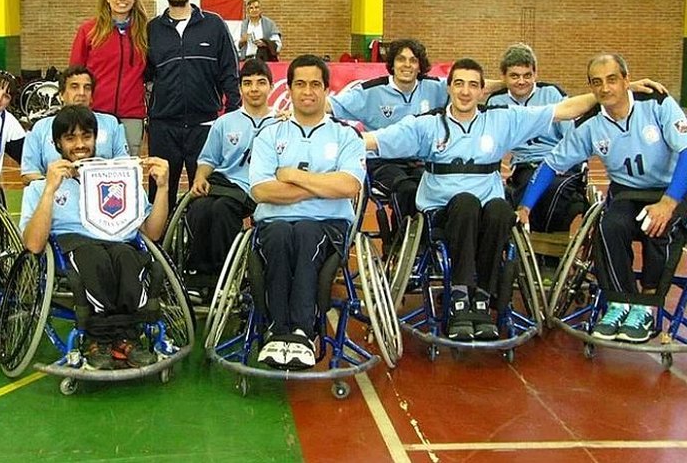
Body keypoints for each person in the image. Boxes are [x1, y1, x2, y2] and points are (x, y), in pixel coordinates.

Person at [362, 58, 597, 341]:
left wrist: (618, 89)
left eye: (473, 85)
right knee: (466, 203)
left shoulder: (500, 119)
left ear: (482, 91)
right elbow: (376, 139)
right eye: (459, 83)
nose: (465, 91)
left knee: (500, 209)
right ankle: (460, 299)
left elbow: (563, 110)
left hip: (487, 210)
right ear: (449, 88)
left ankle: (482, 300)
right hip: (443, 210)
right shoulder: (428, 125)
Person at [518, 53, 687, 343]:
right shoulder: (591, 124)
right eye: (597, 83)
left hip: (670, 190)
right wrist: (525, 205)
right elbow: (552, 164)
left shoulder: (658, 103)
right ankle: (620, 302)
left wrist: (669, 201)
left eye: (612, 80)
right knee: (609, 225)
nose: (605, 88)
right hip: (627, 193)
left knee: (657, 224)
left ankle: (645, 307)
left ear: (626, 80)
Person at [20, 105, 171, 369]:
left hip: (117, 240)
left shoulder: (117, 179)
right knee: (94, 257)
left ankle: (126, 338)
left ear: (95, 139)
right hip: (74, 244)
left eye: (86, 136)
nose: (80, 144)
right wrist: (49, 190)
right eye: (70, 138)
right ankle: (98, 338)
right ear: (57, 144)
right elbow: (33, 244)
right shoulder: (40, 186)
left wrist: (163, 187)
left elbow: (153, 232)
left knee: (126, 256)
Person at [249, 55, 365, 370]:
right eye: (300, 84)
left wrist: (292, 175)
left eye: (315, 84)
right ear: (290, 89)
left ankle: (302, 331)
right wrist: (321, 185)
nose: (308, 91)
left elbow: (349, 186)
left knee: (306, 232)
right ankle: (276, 330)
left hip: (328, 226)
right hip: (275, 223)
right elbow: (261, 190)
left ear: (327, 90)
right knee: (283, 234)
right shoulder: (270, 135)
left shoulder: (346, 136)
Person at [146, 0, 240, 207]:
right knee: (160, 194)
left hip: (205, 125)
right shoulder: (152, 30)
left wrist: (232, 115)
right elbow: (143, 75)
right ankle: (160, 243)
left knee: (206, 194)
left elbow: (230, 72)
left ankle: (200, 245)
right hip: (164, 127)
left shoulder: (214, 24)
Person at [184, 59, 278, 295]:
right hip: (223, 183)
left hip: (255, 188)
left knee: (223, 210)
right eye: (247, 83)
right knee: (199, 208)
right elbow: (208, 159)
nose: (254, 89)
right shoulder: (225, 122)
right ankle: (198, 274)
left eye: (260, 83)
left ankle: (221, 274)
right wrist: (199, 178)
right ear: (240, 89)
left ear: (271, 87)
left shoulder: (282, 123)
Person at [328, 38, 447, 221]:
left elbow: (472, 86)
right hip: (382, 161)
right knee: (408, 189)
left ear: (420, 66)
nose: (407, 65)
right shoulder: (371, 91)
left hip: (420, 161)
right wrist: (292, 113)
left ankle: (429, 237)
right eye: (401, 59)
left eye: (413, 60)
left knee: (437, 186)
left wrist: (505, 83)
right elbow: (330, 105)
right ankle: (401, 241)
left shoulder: (434, 87)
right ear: (392, 64)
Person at [487, 43, 586, 233]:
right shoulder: (496, 102)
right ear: (504, 77)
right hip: (526, 164)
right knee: (522, 190)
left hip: (558, 162)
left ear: (535, 74)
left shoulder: (551, 93)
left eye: (527, 75)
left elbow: (570, 137)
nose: (521, 81)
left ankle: (545, 245)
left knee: (552, 189)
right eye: (514, 76)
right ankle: (537, 245)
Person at [70, 0, 148, 156]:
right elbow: (75, 72)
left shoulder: (145, 32)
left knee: (127, 170)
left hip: (131, 115)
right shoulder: (89, 31)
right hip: (96, 112)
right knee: (94, 168)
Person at [20, 65, 129, 182]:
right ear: (61, 94)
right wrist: (53, 185)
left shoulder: (112, 123)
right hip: (57, 196)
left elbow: (124, 165)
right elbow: (29, 173)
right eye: (74, 87)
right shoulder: (40, 128)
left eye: (87, 88)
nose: (82, 93)